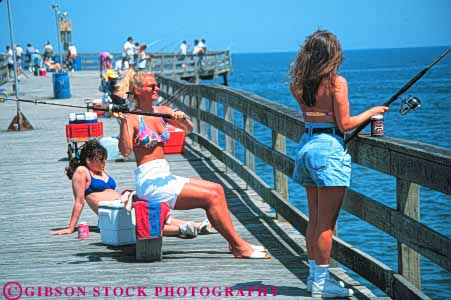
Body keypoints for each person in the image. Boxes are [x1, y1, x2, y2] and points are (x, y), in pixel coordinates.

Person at [114, 70, 270, 259]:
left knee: (218, 189)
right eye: (151, 86)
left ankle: (235, 243)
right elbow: (124, 151)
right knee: (211, 197)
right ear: (138, 91)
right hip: (149, 181)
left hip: (165, 175)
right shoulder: (131, 118)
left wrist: (181, 118)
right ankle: (239, 246)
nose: (157, 89)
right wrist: (123, 123)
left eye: (157, 85)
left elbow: (189, 129)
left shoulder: (162, 111)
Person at [290, 30, 388, 298]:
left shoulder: (298, 83)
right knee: (326, 224)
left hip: (306, 147)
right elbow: (343, 124)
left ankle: (314, 278)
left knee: (314, 219)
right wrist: (372, 112)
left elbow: (316, 115)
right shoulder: (336, 83)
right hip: (328, 150)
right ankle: (321, 286)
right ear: (332, 54)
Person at [51, 140, 213, 238]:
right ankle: (182, 229)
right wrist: (71, 227)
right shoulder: (82, 172)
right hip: (112, 211)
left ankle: (196, 226)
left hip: (121, 203)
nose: (104, 163)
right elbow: (79, 202)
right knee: (143, 222)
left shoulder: (98, 171)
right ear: (88, 160)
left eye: (105, 160)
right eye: (100, 160)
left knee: (153, 211)